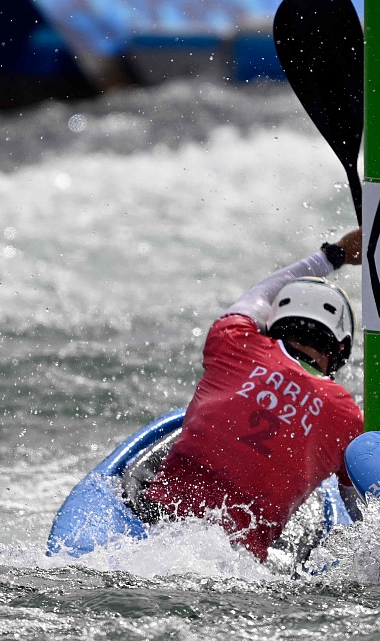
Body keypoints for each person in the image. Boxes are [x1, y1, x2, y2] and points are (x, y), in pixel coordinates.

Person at [144, 229, 364, 562]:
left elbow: (261, 293)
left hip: (159, 525)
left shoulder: (233, 340)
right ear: (341, 348)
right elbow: (361, 516)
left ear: (272, 325)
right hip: (240, 564)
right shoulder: (348, 418)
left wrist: (333, 256)